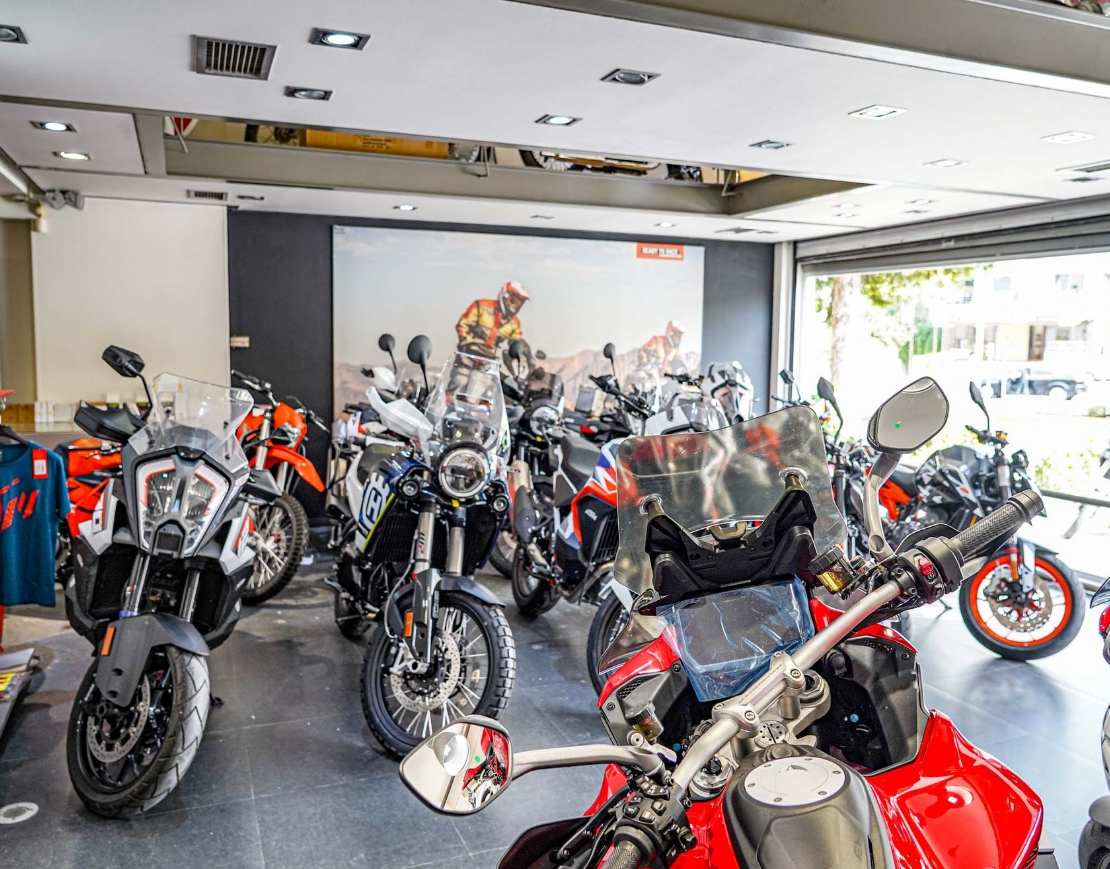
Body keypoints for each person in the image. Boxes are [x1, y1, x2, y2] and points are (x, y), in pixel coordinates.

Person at [455, 281, 531, 361]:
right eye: (513, 301)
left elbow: (516, 341)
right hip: (466, 356)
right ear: (504, 296)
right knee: (462, 368)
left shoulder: (515, 323)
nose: (515, 307)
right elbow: (462, 325)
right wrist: (468, 342)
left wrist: (523, 351)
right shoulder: (480, 306)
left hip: (489, 361)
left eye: (518, 304)